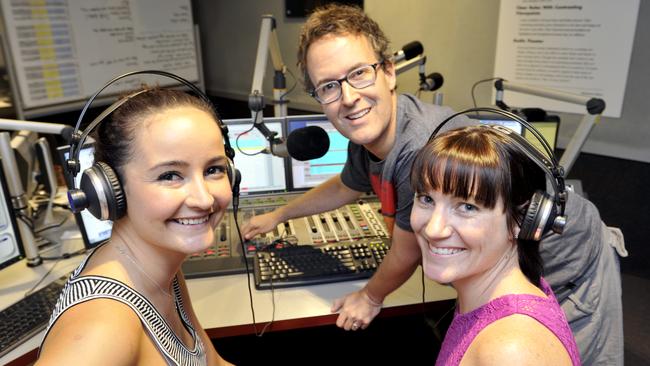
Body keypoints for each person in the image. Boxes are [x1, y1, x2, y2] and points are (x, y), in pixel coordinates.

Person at [241, 4, 624, 364]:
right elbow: (345, 186)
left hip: (569, 263)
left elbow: (408, 252)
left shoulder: (417, 147)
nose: (349, 97)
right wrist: (279, 215)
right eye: (328, 86)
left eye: (359, 73)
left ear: (389, 72)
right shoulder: (368, 136)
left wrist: (371, 297)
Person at [37, 88, 233, 365]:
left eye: (214, 169)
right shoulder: (101, 330)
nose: (204, 199)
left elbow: (212, 363)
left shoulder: (160, 268)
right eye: (170, 175)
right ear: (107, 191)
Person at [409, 125, 580, 365]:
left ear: (524, 220)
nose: (433, 229)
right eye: (426, 199)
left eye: (467, 207)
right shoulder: (490, 300)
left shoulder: (511, 350)